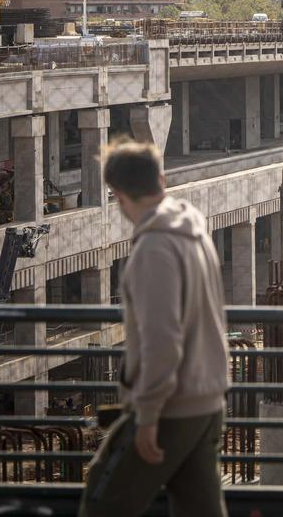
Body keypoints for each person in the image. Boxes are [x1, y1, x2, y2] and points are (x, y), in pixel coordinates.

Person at [80, 139, 230, 517]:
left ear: (117, 194)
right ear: (161, 180)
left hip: (170, 409)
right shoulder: (193, 231)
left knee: (104, 500)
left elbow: (162, 341)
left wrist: (147, 417)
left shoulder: (154, 250)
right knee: (201, 510)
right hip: (207, 402)